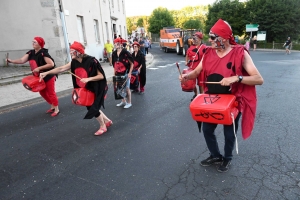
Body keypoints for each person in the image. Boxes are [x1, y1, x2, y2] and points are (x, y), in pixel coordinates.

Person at [180, 19, 264, 172]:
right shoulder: (208, 53)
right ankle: (215, 155)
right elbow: (197, 72)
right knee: (207, 130)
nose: (209, 41)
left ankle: (227, 158)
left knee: (229, 133)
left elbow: (259, 79)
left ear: (223, 38)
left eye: (213, 37)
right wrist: (187, 76)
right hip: (211, 101)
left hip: (231, 102)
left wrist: (237, 78)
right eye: (210, 37)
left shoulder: (240, 53)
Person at [40, 41, 112, 136]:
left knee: (91, 107)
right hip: (85, 88)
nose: (70, 52)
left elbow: (101, 76)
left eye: (72, 51)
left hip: (96, 87)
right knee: (92, 106)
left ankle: (103, 126)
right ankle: (107, 121)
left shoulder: (91, 61)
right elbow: (61, 69)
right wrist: (46, 73)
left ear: (79, 52)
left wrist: (88, 79)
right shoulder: (74, 62)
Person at [7, 36, 59, 117]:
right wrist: (11, 61)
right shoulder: (31, 53)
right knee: (42, 93)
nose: (33, 43)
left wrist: (39, 68)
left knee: (51, 93)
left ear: (40, 44)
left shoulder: (44, 53)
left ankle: (56, 109)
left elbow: (51, 64)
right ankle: (52, 105)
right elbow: (21, 60)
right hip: (38, 77)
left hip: (48, 75)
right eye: (32, 42)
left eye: (35, 42)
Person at [112, 38, 134, 108]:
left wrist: (130, 73)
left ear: (121, 44)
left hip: (126, 73)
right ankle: (123, 101)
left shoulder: (126, 53)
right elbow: (114, 65)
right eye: (115, 43)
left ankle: (129, 102)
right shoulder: (114, 54)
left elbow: (132, 64)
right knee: (119, 88)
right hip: (118, 73)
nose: (116, 44)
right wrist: (114, 73)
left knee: (127, 89)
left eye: (118, 43)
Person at [185, 32, 206, 100]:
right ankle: (196, 95)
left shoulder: (204, 47)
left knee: (201, 84)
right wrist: (186, 61)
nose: (194, 40)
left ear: (200, 39)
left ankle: (202, 96)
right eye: (193, 38)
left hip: (201, 69)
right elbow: (187, 55)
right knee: (192, 83)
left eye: (195, 38)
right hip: (192, 68)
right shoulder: (191, 47)